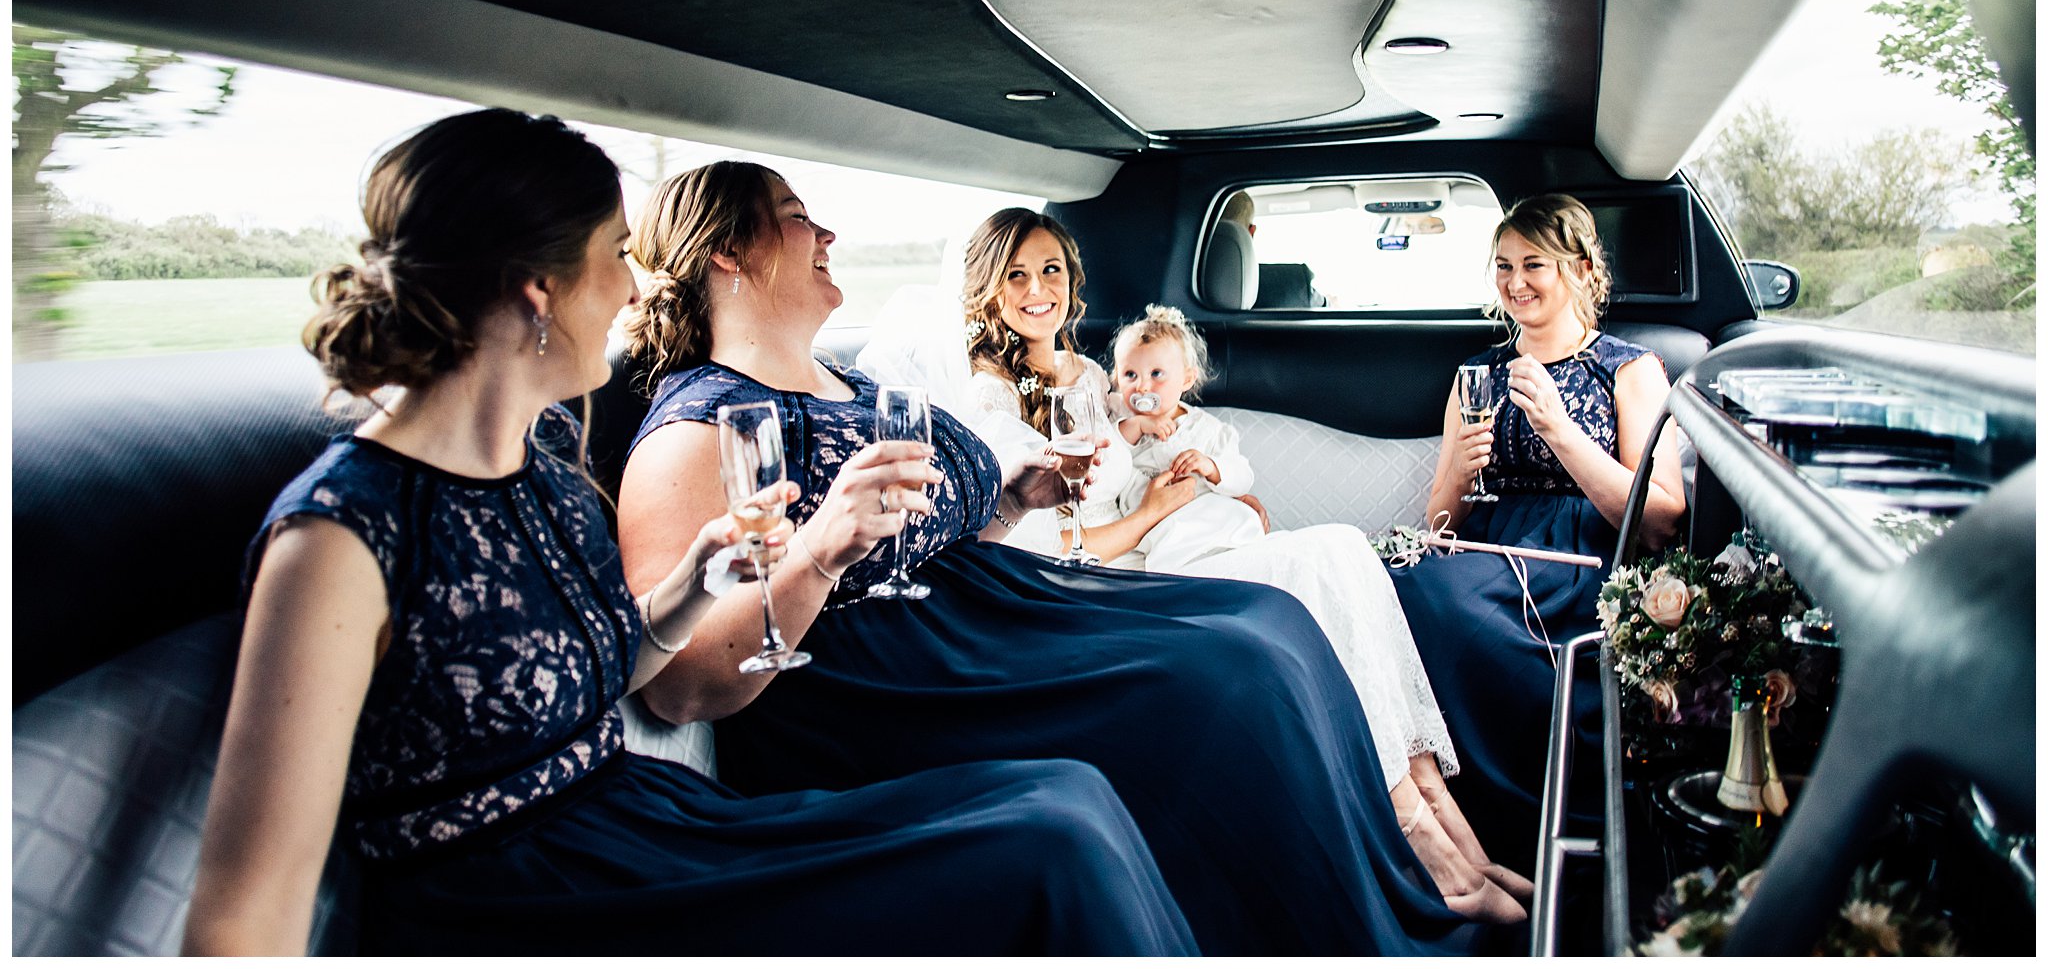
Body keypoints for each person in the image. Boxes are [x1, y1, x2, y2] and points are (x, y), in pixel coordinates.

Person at [183, 111, 1196, 956]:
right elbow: (243, 913)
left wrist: (699, 579)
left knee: (1062, 798)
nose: (633, 289)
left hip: (641, 820)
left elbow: (615, 664)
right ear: (538, 292)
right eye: (611, 258)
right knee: (1045, 841)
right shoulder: (340, 536)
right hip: (528, 903)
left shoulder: (538, 467)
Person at [617, 164, 1490, 954]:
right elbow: (678, 683)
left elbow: (926, 530)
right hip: (892, 676)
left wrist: (1008, 500)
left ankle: (1392, 886)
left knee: (1273, 623)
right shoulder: (701, 425)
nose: (828, 234)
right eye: (797, 215)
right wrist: (815, 551)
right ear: (729, 253)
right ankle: (1344, 929)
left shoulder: (855, 389)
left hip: (993, 603)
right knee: (1231, 676)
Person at [961, 229, 1528, 923]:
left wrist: (1226, 494)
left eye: (1051, 270)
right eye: (1016, 276)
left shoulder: (1094, 378)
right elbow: (1053, 548)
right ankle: (1421, 843)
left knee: (1346, 551)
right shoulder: (989, 403)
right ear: (990, 288)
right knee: (1320, 560)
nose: (1038, 290)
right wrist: (1157, 510)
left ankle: (1447, 821)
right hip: (1121, 579)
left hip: (1180, 545)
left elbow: (1175, 441)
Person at [1389, 192, 1686, 874]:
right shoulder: (1476, 373)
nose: (1515, 282)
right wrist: (1460, 473)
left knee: (1444, 601)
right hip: (1481, 550)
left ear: (1581, 268)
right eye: (1502, 266)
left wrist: (1558, 427)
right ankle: (1442, 829)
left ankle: (1521, 828)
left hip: (1576, 559)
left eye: (1534, 264)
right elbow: (1441, 518)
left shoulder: (1630, 368)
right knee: (1405, 587)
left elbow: (1660, 516)